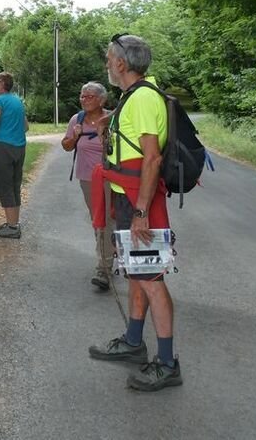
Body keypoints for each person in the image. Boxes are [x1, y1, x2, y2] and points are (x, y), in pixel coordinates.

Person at [88, 34, 182, 391]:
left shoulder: (141, 98)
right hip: (129, 199)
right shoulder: (134, 96)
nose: (107, 65)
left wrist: (141, 211)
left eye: (108, 59)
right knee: (137, 274)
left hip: (140, 203)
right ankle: (132, 340)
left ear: (121, 63)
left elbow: (152, 158)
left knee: (151, 279)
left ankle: (168, 364)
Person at [61, 81, 113, 291]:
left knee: (107, 221)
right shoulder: (77, 119)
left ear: (102, 100)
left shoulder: (112, 119)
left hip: (111, 178)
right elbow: (66, 146)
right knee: (98, 221)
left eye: (89, 96)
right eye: (82, 96)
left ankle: (104, 268)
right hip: (88, 179)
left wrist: (105, 137)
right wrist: (74, 136)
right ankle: (106, 258)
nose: (84, 99)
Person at [0, 72, 27, 239]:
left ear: (1, 83)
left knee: (5, 186)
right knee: (15, 185)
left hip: (4, 146)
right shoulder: (18, 101)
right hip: (20, 146)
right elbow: (26, 126)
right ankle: (14, 222)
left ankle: (11, 227)